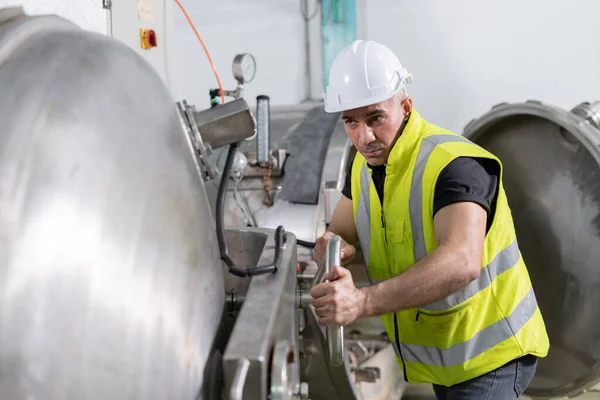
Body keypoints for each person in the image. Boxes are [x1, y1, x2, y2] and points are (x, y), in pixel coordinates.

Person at [310, 39, 550, 399]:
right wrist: (332, 249)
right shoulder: (364, 166)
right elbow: (342, 232)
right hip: (446, 355)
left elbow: (460, 262)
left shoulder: (454, 165)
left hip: (493, 353)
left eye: (376, 117)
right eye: (351, 122)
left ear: (405, 106)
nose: (365, 137)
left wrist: (361, 302)